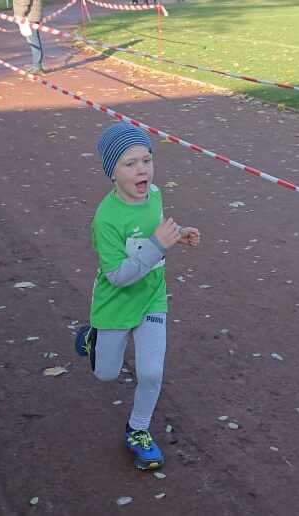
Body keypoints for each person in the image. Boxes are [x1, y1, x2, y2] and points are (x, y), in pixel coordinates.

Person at [75, 122, 200, 471]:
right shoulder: (105, 219)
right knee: (105, 374)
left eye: (147, 159)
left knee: (150, 373)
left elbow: (152, 234)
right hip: (115, 303)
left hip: (152, 297)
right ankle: (92, 338)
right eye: (130, 163)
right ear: (112, 173)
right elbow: (118, 277)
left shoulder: (155, 195)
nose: (142, 169)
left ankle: (138, 429)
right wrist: (160, 244)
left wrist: (179, 233)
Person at [12, 0, 44, 74]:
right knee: (33, 39)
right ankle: (36, 65)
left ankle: (37, 66)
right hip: (33, 13)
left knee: (33, 40)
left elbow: (24, 1)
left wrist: (20, 14)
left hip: (30, 15)